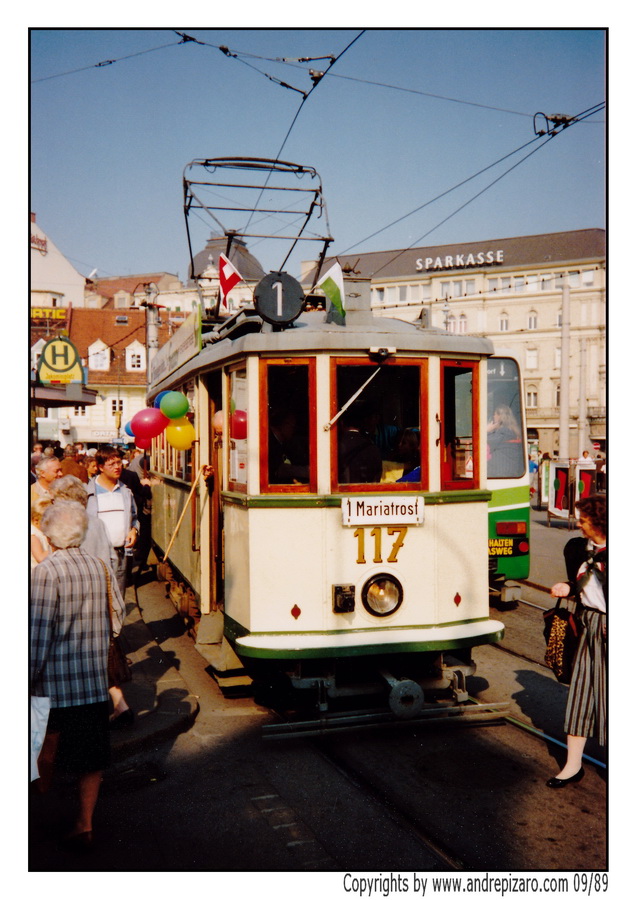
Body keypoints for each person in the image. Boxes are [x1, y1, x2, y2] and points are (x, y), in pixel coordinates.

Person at [31, 500, 125, 849]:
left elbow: (36, 637)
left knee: (44, 754)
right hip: (91, 684)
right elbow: (117, 619)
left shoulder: (44, 572)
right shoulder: (99, 566)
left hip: (51, 688)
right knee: (90, 759)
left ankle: (43, 817)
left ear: (49, 533)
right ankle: (84, 823)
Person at [547, 494, 607, 788]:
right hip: (589, 625)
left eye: (583, 520)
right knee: (581, 693)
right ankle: (573, 765)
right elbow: (582, 584)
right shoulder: (578, 549)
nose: (579, 524)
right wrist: (567, 587)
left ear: (598, 521)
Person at [86, 447, 139, 728]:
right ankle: (109, 663)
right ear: (99, 466)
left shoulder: (125, 491)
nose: (118, 467)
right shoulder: (88, 492)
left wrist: (134, 530)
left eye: (119, 462)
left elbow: (134, 518)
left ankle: (115, 659)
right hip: (96, 559)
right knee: (100, 610)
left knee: (117, 607)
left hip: (120, 556)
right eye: (111, 463)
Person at [268, 410, 309, 484]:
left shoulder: (281, 443)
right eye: (292, 426)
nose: (293, 430)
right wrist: (305, 471)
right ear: (284, 425)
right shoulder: (269, 443)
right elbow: (277, 470)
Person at [486, 405, 523, 477]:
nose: (493, 416)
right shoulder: (512, 431)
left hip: (501, 472)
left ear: (500, 416)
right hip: (508, 470)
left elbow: (485, 441)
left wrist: (487, 430)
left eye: (495, 414)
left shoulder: (503, 431)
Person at [31, 495, 52, 570]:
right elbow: (40, 557)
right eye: (48, 522)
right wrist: (53, 549)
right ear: (36, 521)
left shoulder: (40, 532)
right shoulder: (33, 535)